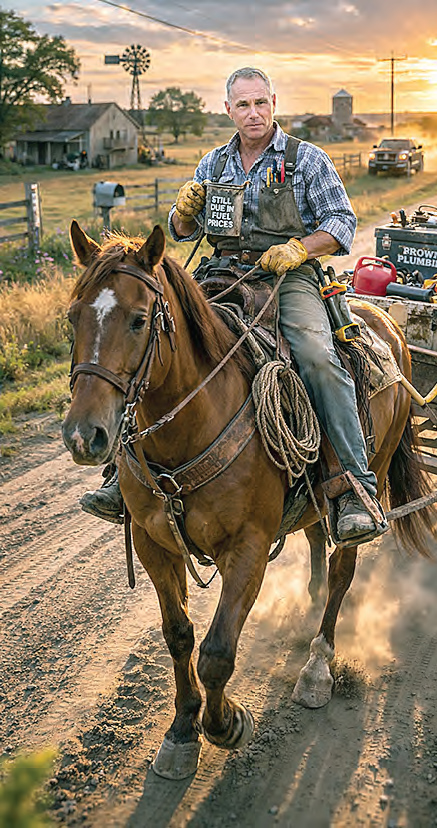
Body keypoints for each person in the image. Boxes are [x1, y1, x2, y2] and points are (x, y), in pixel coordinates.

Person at [80, 66, 386, 544]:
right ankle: (124, 478)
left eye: (260, 102)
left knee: (318, 359)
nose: (253, 113)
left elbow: (342, 223)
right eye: (242, 105)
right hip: (221, 273)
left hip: (289, 277)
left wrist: (301, 248)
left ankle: (354, 488)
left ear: (273, 103)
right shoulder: (215, 164)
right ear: (229, 110)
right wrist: (181, 213)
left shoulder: (306, 159)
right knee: (155, 343)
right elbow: (184, 232)